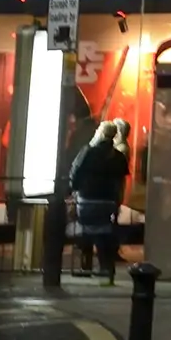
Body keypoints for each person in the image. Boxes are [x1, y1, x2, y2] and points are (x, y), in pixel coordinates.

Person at [64, 119, 131, 282]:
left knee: (86, 230)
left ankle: (85, 266)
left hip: (87, 199)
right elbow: (120, 180)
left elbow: (74, 172)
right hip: (108, 202)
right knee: (103, 231)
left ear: (99, 133)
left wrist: (74, 190)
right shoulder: (118, 156)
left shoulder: (87, 151)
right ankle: (105, 268)